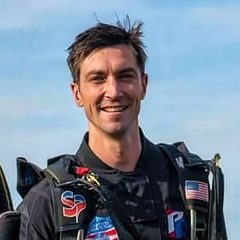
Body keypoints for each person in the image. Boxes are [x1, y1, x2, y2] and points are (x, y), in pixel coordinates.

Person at [16, 17, 227, 240]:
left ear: (143, 85)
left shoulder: (191, 187)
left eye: (124, 76)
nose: (114, 92)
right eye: (97, 79)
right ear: (77, 93)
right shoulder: (48, 201)